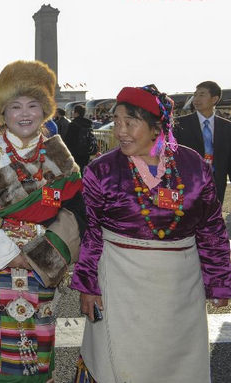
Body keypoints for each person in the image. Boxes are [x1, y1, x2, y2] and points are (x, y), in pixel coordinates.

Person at [70, 85, 231, 382]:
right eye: (117, 122)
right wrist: (88, 286)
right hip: (119, 281)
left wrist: (219, 279)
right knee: (116, 362)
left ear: (157, 126)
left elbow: (211, 226)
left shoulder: (193, 165)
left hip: (179, 286)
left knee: (177, 365)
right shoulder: (102, 170)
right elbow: (91, 232)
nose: (120, 131)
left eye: (130, 123)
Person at [0, 60, 84, 383]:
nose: (24, 113)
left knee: (39, 344)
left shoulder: (57, 152)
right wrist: (8, 252)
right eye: (15, 106)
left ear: (45, 111)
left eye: (33, 105)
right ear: (2, 114)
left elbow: (73, 209)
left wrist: (41, 255)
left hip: (43, 260)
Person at [175, 81, 231, 203]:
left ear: (214, 99)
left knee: (214, 218)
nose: (196, 99)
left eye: (201, 95)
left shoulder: (227, 127)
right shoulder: (180, 124)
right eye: (195, 95)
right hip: (188, 184)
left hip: (217, 184)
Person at [63, 104, 93, 173]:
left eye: (73, 112)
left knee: (75, 171)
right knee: (83, 169)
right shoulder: (88, 124)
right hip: (86, 151)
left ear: (76, 113)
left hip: (75, 152)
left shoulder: (73, 124)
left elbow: (68, 139)